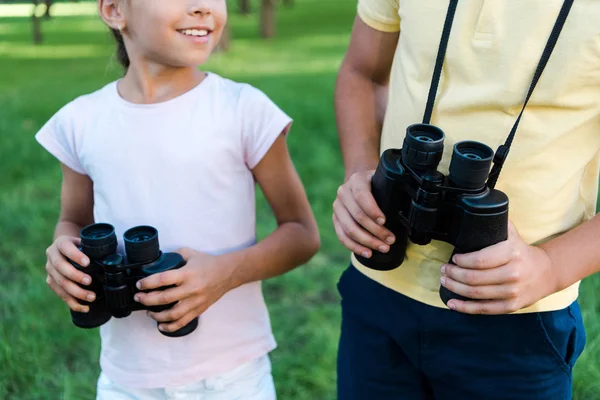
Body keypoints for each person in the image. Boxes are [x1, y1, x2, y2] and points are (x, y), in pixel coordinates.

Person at [36, 0, 320, 398]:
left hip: (232, 375)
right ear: (116, 10)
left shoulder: (243, 110)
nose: (203, 7)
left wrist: (225, 273)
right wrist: (65, 251)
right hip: (126, 380)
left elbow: (302, 234)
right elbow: (74, 221)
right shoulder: (80, 122)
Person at [333, 1, 599, 399]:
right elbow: (362, 73)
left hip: (516, 316)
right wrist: (360, 171)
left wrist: (549, 267)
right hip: (380, 278)